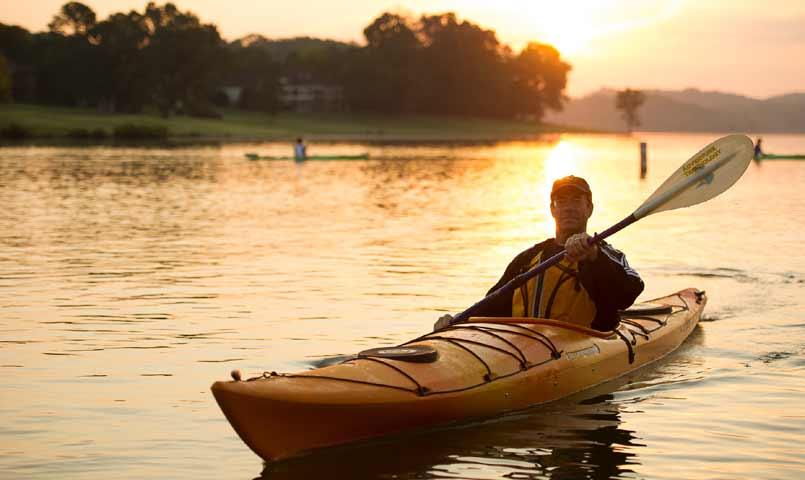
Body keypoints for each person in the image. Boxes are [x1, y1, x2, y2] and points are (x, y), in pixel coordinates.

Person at [435, 175, 644, 332]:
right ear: (553, 210)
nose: (568, 208)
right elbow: (492, 306)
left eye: (576, 200)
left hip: (584, 347)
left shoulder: (606, 255)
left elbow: (629, 293)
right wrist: (456, 323)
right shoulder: (528, 259)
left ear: (589, 208)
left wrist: (593, 256)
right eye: (562, 201)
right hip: (527, 348)